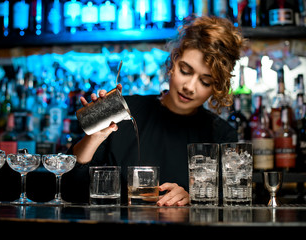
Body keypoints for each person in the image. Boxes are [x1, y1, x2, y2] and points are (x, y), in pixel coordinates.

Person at [67, 16, 246, 206]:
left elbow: (231, 206)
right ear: (173, 62)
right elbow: (71, 188)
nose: (190, 87)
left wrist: (192, 200)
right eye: (185, 70)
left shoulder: (221, 136)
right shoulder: (124, 111)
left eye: (205, 81)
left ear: (217, 87)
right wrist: (94, 136)